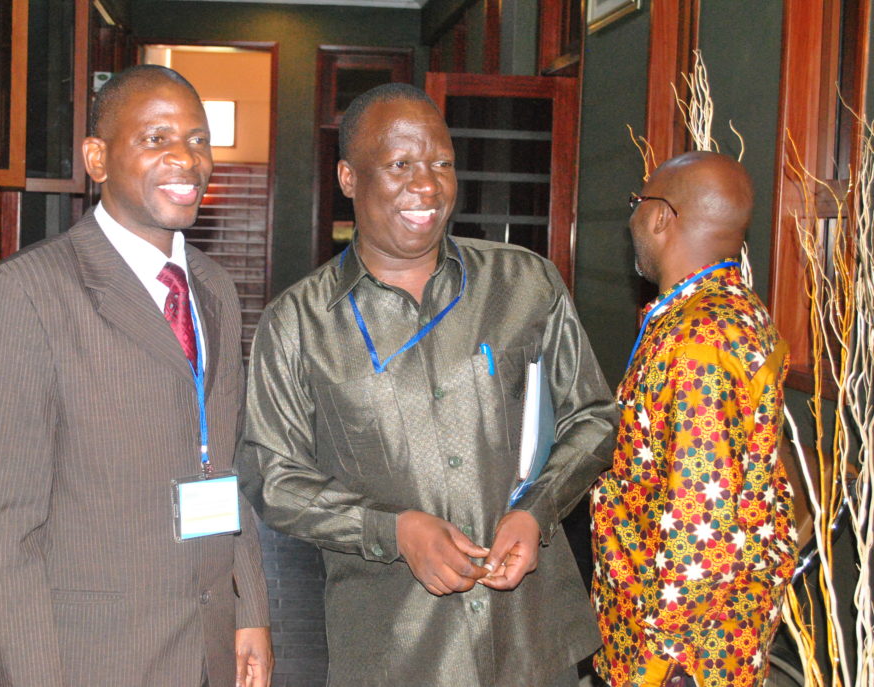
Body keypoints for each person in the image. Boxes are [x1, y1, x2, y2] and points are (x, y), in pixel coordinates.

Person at [237, 82, 617, 687]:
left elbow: (592, 417)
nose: (428, 186)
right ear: (348, 178)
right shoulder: (298, 323)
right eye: (400, 165)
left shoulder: (525, 284)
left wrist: (536, 511)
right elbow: (273, 477)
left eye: (442, 163)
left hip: (530, 641)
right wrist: (391, 530)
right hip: (395, 648)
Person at [0, 65, 272, 687]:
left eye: (199, 140)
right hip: (90, 657)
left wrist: (248, 608)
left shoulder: (214, 289)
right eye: (156, 138)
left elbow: (223, 464)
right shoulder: (23, 295)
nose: (187, 158)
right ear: (96, 159)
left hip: (207, 643)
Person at [591, 151, 797, 687]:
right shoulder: (737, 309)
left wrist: (666, 661)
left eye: (637, 203)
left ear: (661, 216)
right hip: (710, 622)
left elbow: (701, 511)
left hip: (680, 645)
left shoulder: (697, 342)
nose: (633, 218)